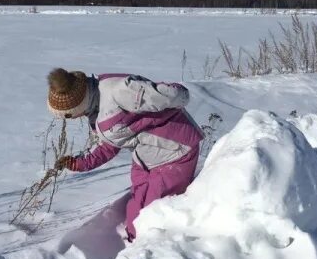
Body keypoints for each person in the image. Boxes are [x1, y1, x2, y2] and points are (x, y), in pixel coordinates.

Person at [47, 68, 203, 240]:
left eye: (69, 116)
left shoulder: (120, 91)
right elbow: (108, 146)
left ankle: (150, 252)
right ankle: (133, 245)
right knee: (136, 211)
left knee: (153, 215)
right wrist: (78, 163)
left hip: (175, 151)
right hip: (145, 158)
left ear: (78, 106)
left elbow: (174, 95)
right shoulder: (95, 110)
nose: (72, 119)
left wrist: (172, 94)